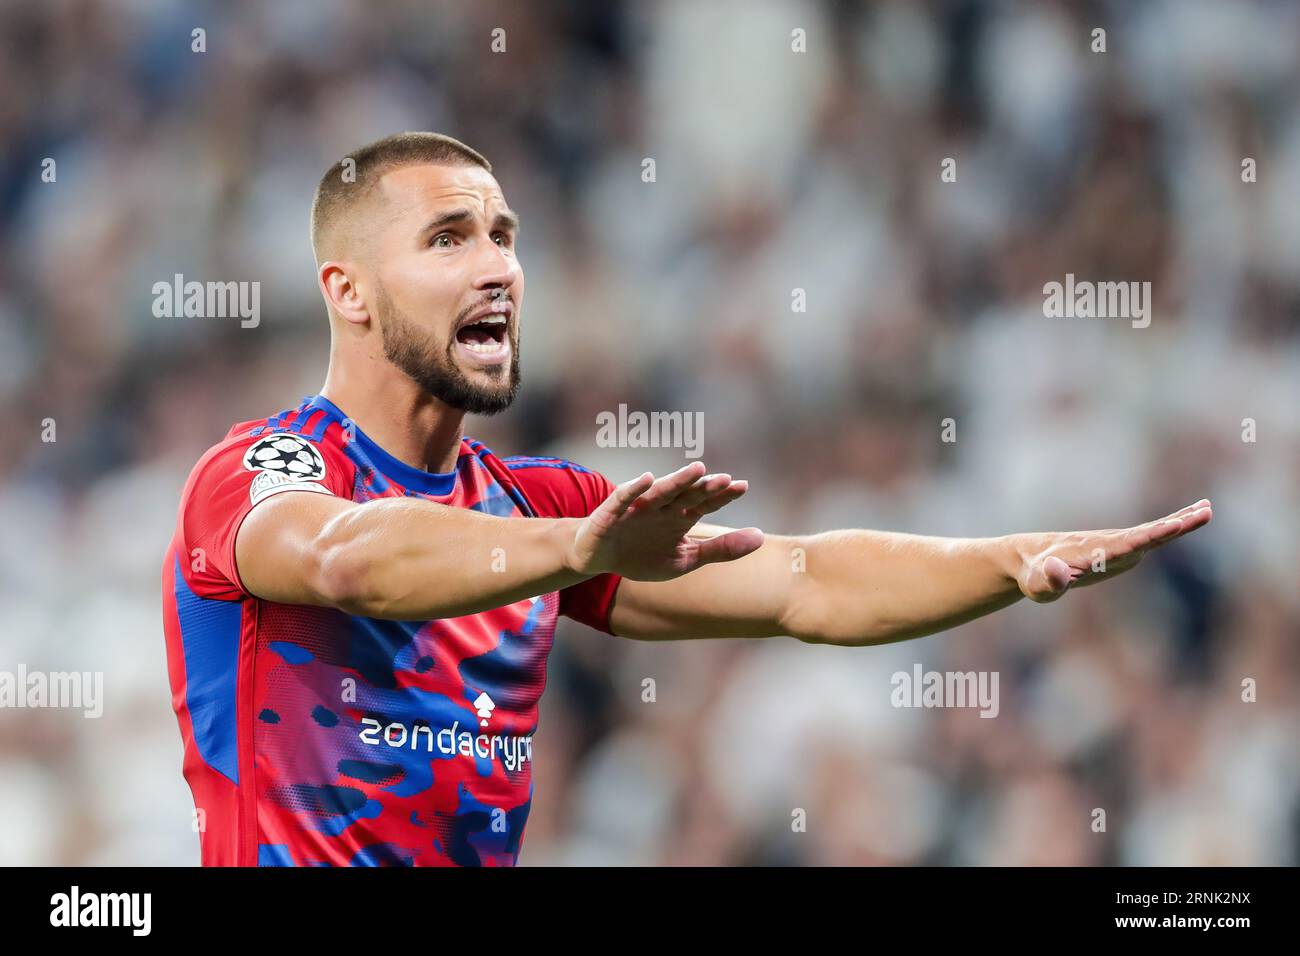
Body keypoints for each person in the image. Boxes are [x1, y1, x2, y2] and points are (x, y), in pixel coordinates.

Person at [161, 132, 1212, 866]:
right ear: (347, 289)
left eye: (505, 236)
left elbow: (806, 582)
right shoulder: (262, 467)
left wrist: (1011, 562)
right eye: (448, 239)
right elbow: (346, 560)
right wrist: (575, 548)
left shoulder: (537, 506)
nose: (498, 269)